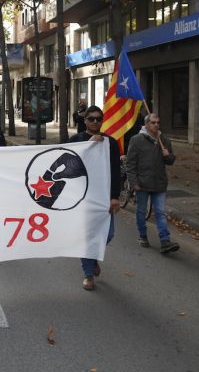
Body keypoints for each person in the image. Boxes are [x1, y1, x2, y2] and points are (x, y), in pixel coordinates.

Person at [67, 106, 119, 290]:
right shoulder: (75, 141)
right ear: (85, 121)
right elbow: (69, 164)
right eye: (91, 119)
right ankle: (88, 275)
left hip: (103, 197)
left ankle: (93, 255)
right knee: (87, 236)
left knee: (108, 233)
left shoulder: (111, 143)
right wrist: (88, 144)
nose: (95, 122)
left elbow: (115, 170)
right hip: (83, 198)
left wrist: (114, 197)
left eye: (98, 118)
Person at [126, 113, 179, 254]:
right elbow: (130, 164)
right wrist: (133, 182)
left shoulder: (164, 140)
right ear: (146, 124)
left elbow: (171, 161)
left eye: (158, 122)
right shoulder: (136, 140)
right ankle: (142, 235)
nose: (156, 125)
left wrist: (168, 155)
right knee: (141, 211)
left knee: (160, 213)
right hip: (142, 183)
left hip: (159, 183)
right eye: (153, 122)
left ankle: (165, 240)